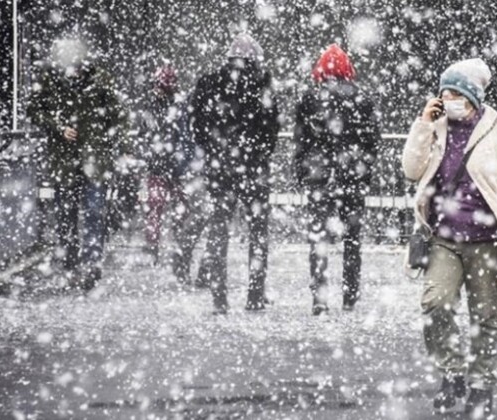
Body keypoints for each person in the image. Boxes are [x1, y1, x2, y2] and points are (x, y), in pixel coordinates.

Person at [401, 58, 497, 416]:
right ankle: (452, 372)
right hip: (444, 238)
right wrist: (423, 124)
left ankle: (481, 387)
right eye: (443, 94)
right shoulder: (435, 128)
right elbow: (410, 169)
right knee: (435, 304)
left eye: (455, 93)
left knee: (485, 317)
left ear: (472, 96)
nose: (448, 100)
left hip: (488, 241)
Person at [28, 38, 129, 291]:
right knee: (66, 215)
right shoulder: (50, 80)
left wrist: (110, 142)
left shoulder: (101, 80)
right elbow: (33, 109)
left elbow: (119, 116)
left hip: (94, 159)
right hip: (64, 160)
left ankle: (91, 263)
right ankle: (72, 264)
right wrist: (58, 126)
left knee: (94, 212)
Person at [189, 34, 280, 313]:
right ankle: (254, 294)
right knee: (258, 233)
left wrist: (215, 152)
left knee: (219, 230)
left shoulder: (208, 84)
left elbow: (197, 126)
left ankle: (219, 297)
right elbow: (271, 129)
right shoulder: (262, 85)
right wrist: (257, 153)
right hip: (253, 169)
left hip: (220, 169)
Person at [292, 44, 381, 315]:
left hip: (320, 178)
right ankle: (350, 295)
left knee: (318, 238)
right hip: (352, 176)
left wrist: (302, 170)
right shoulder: (362, 98)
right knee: (352, 239)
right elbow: (372, 141)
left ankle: (319, 297)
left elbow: (301, 140)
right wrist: (364, 168)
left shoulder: (309, 98)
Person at [138, 64, 193, 264]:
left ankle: (167, 245)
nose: (156, 90)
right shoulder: (159, 107)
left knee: (168, 208)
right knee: (157, 208)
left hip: (170, 166)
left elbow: (185, 137)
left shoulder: (175, 107)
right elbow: (145, 134)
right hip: (162, 165)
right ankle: (158, 247)